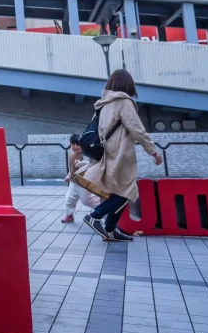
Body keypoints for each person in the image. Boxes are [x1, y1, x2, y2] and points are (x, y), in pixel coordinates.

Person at [75, 69, 163, 241]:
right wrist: (152, 150)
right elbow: (137, 128)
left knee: (119, 192)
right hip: (120, 154)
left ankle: (110, 229)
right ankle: (95, 216)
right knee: (127, 192)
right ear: (128, 85)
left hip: (106, 153)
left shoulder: (102, 103)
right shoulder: (123, 102)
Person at [61, 134, 100, 223]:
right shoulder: (71, 156)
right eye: (73, 144)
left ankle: (104, 208)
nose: (75, 147)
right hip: (73, 182)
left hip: (83, 183)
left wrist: (81, 163)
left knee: (87, 201)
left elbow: (90, 165)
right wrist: (68, 176)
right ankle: (69, 215)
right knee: (69, 199)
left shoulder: (87, 155)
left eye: (78, 144)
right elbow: (71, 169)